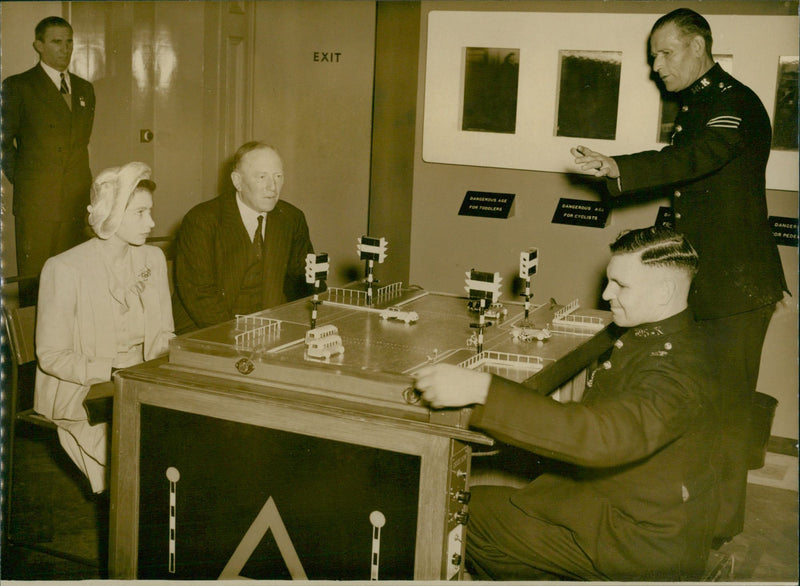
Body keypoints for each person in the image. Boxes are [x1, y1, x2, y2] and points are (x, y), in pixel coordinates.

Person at [570, 8, 787, 542]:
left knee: (729, 410)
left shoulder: (732, 104)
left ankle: (717, 530)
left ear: (697, 46)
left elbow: (696, 159)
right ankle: (689, 512)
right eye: (652, 57)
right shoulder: (700, 103)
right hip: (711, 280)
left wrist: (621, 166)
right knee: (697, 399)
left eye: (665, 54)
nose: (656, 67)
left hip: (735, 288)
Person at [415, 226, 722, 581]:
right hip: (637, 510)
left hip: (639, 544)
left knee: (457, 513)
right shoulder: (674, 336)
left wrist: (484, 389)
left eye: (621, 285)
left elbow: (605, 437)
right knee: (476, 504)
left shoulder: (678, 370)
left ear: (665, 291)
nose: (607, 293)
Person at [34, 162, 174, 494]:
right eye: (140, 213)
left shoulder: (152, 259)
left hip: (142, 383)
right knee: (145, 457)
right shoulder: (65, 268)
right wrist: (114, 371)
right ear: (111, 214)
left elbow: (166, 335)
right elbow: (51, 356)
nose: (151, 223)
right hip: (85, 391)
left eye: (150, 211)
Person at [1, 16, 96, 306]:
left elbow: (80, 146)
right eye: (57, 42)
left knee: (73, 280)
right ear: (38, 45)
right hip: (37, 205)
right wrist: (29, 181)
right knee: (36, 284)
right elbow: (3, 143)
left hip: (75, 202)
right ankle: (32, 351)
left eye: (69, 42)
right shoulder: (19, 86)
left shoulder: (84, 89)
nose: (65, 48)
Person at [172, 141, 315, 333]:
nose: (272, 187)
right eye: (262, 177)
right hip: (208, 328)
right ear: (237, 181)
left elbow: (300, 284)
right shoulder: (202, 220)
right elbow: (200, 295)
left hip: (270, 327)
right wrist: (237, 335)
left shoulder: (292, 218)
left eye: (278, 176)